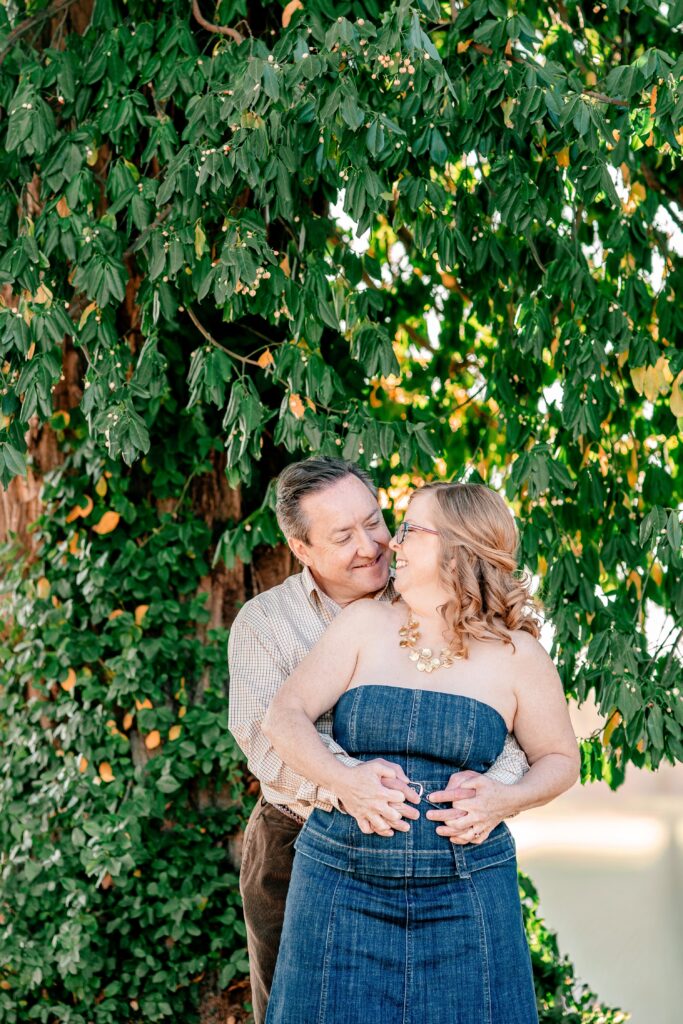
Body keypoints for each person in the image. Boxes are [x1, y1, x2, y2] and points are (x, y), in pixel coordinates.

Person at [261, 480, 581, 1024]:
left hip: (468, 886)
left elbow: (560, 759)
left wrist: (505, 799)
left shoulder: (518, 654)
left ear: (459, 548)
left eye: (410, 529)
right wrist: (344, 781)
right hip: (340, 879)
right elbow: (282, 719)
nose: (393, 544)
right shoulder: (362, 624)